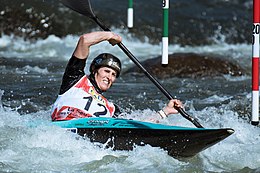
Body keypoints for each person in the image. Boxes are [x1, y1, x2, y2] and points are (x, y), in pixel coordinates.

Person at [51, 31, 183, 121]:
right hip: (64, 128)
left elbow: (136, 126)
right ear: (94, 70)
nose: (109, 77)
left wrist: (165, 112)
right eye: (107, 71)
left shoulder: (111, 108)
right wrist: (110, 36)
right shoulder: (75, 80)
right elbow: (84, 40)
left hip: (87, 139)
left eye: (114, 74)